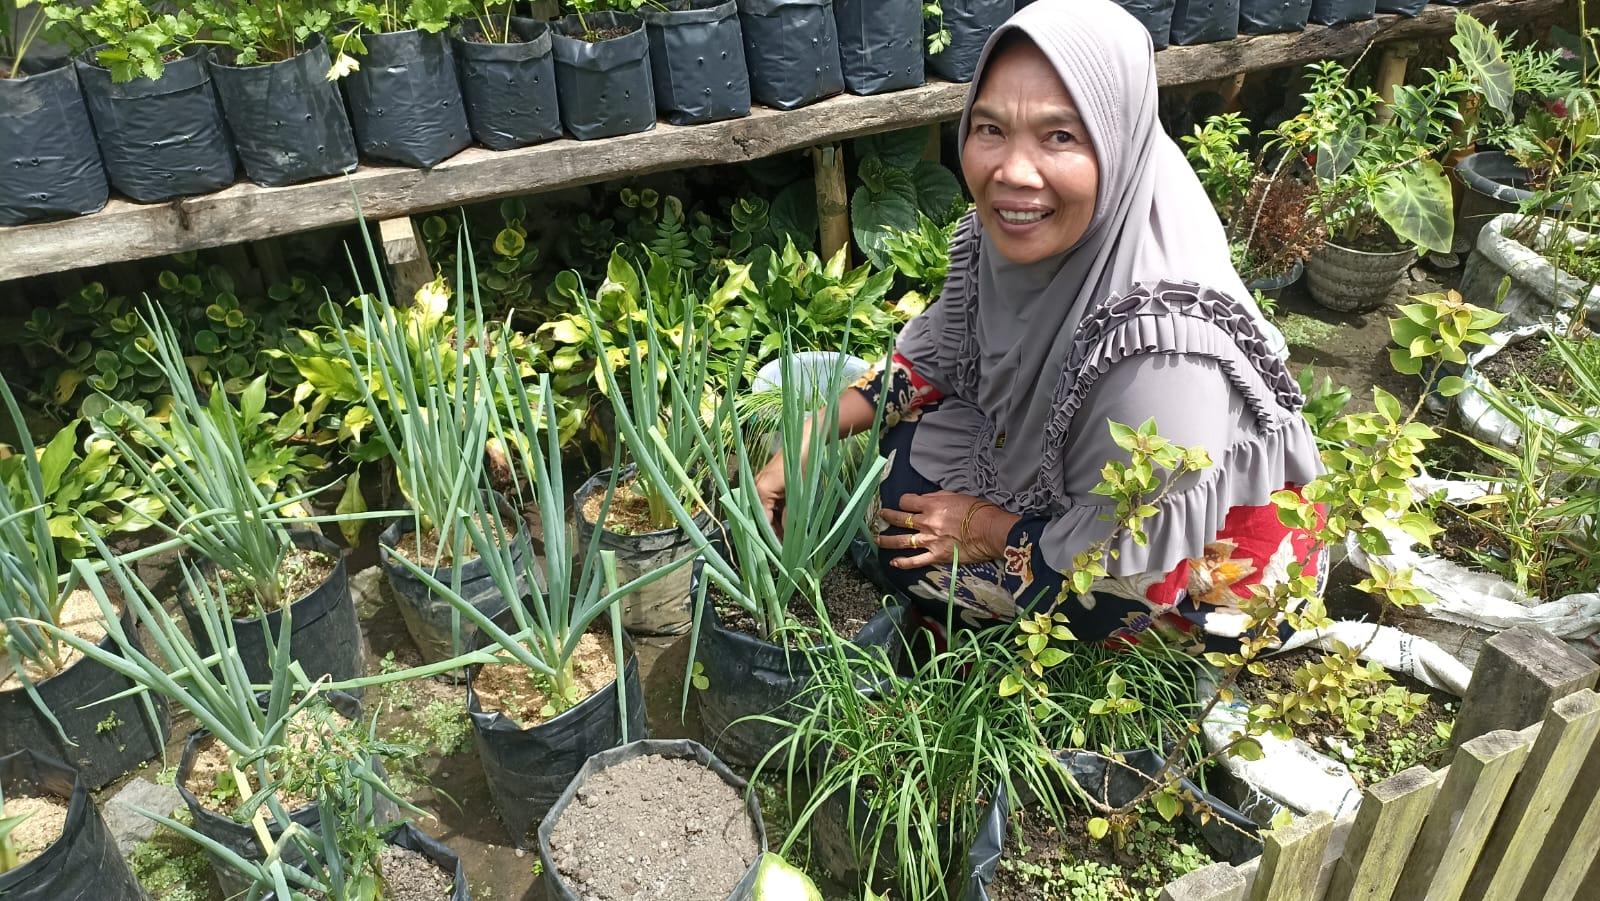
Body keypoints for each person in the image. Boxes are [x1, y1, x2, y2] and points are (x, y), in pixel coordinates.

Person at [755, 0, 1327, 653]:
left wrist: (987, 528)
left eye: (1060, 136)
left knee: (910, 552)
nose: (1013, 172)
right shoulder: (1027, 231)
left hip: (1197, 583)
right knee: (903, 461)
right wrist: (809, 434)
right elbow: (936, 356)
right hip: (1097, 495)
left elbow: (1130, 555)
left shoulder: (1164, 343)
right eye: (991, 128)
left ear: (1116, 137)